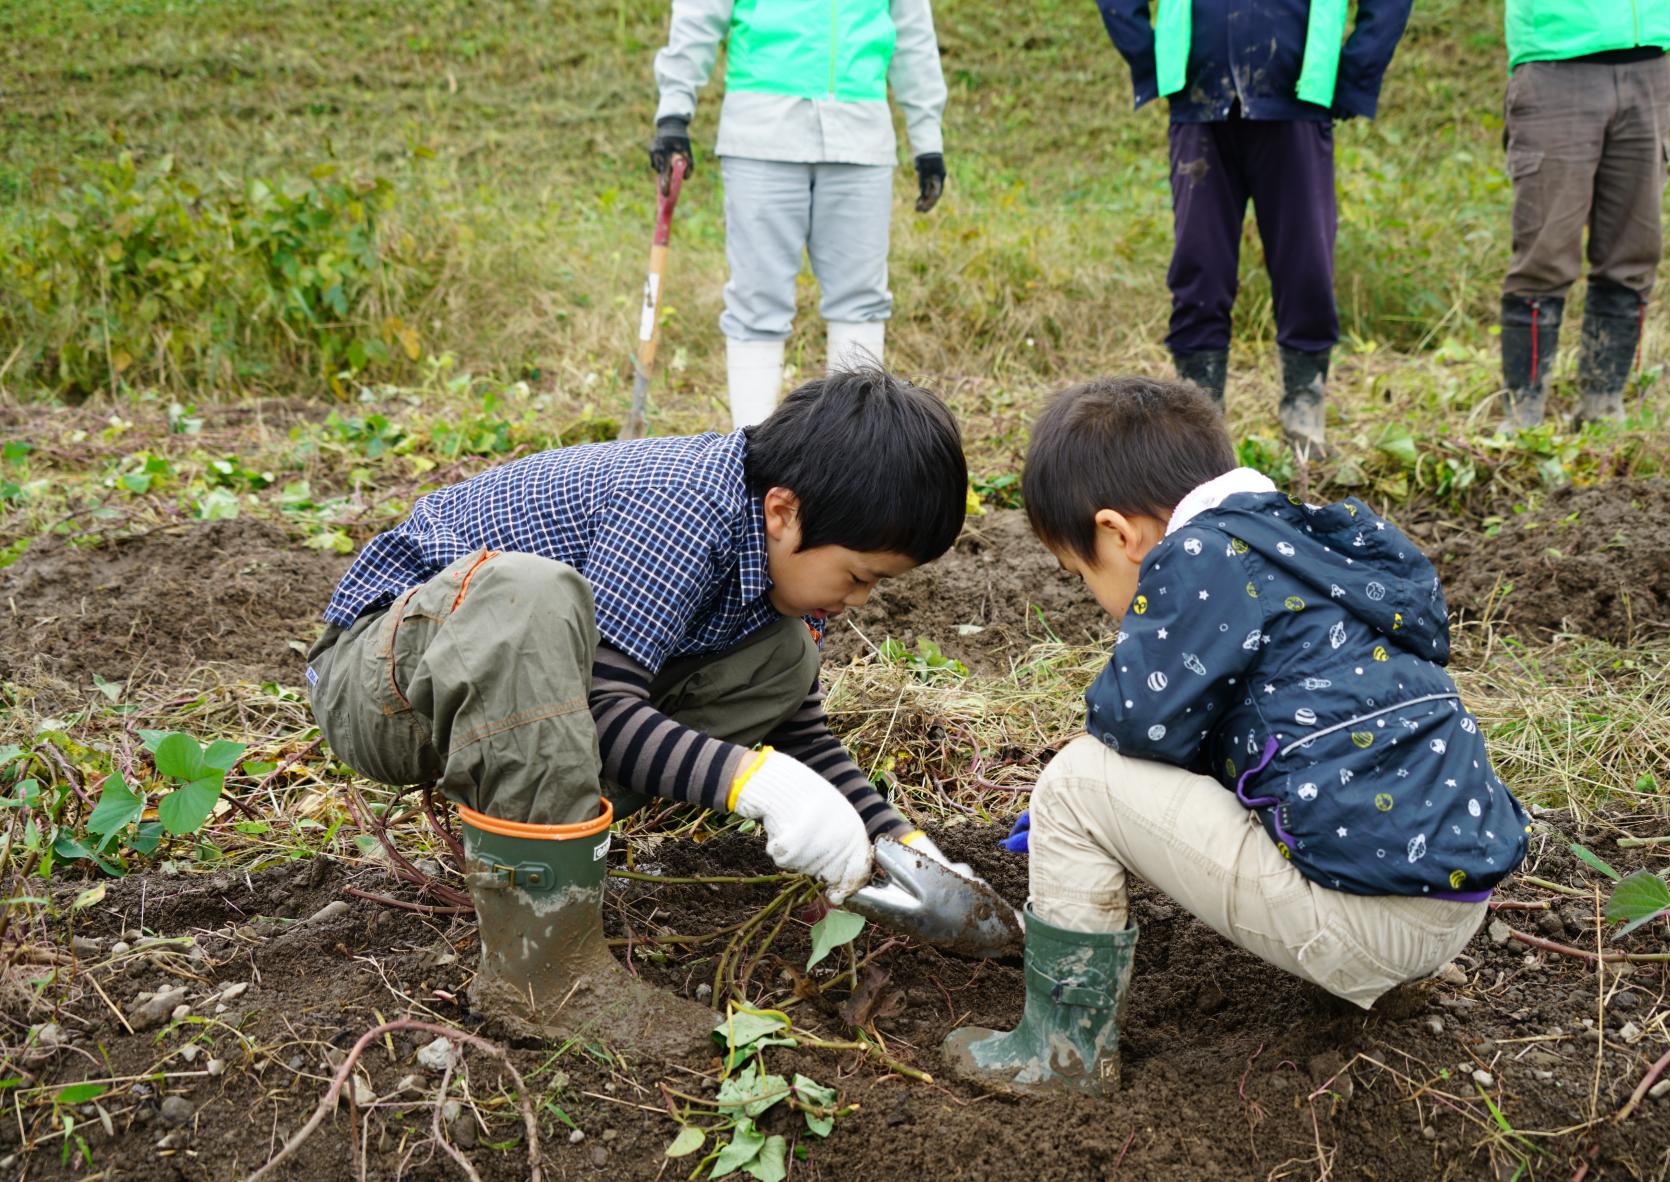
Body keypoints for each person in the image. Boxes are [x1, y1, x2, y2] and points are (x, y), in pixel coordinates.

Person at [305, 368, 972, 1057]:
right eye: (859, 576)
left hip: (515, 694)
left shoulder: (782, 562)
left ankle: (542, 840)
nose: (859, 599)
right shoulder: (680, 502)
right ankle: (542, 981)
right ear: (782, 511)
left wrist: (904, 847)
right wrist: (757, 785)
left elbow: (795, 728)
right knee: (531, 591)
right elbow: (600, 710)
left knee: (784, 654)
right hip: (387, 679)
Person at [944, 376, 1531, 1097]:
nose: (1099, 603)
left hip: (1359, 927)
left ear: (1118, 535)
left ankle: (1061, 1056)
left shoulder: (1201, 558)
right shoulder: (1314, 543)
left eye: (1080, 574)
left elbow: (1132, 722)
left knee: (1074, 783)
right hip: (1452, 907)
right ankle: (1384, 973)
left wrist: (1085, 803)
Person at [1093, 0, 1413, 455]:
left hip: (1298, 100)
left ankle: (1304, 414)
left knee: (1307, 264)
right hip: (1199, 101)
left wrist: (1353, 74)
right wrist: (1154, 57)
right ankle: (1200, 427)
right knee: (1198, 265)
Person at [650, 0, 948, 430]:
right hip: (761, 136)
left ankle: (852, 453)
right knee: (757, 302)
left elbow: (913, 33)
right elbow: (699, 13)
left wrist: (927, 139)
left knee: (860, 301)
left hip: (859, 138)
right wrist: (674, 113)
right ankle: (750, 456)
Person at [1496, 0, 1670, 430]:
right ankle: (1523, 416)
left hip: (1648, 59)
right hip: (1556, 59)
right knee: (1544, 253)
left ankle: (1603, 407)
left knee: (1633, 251)